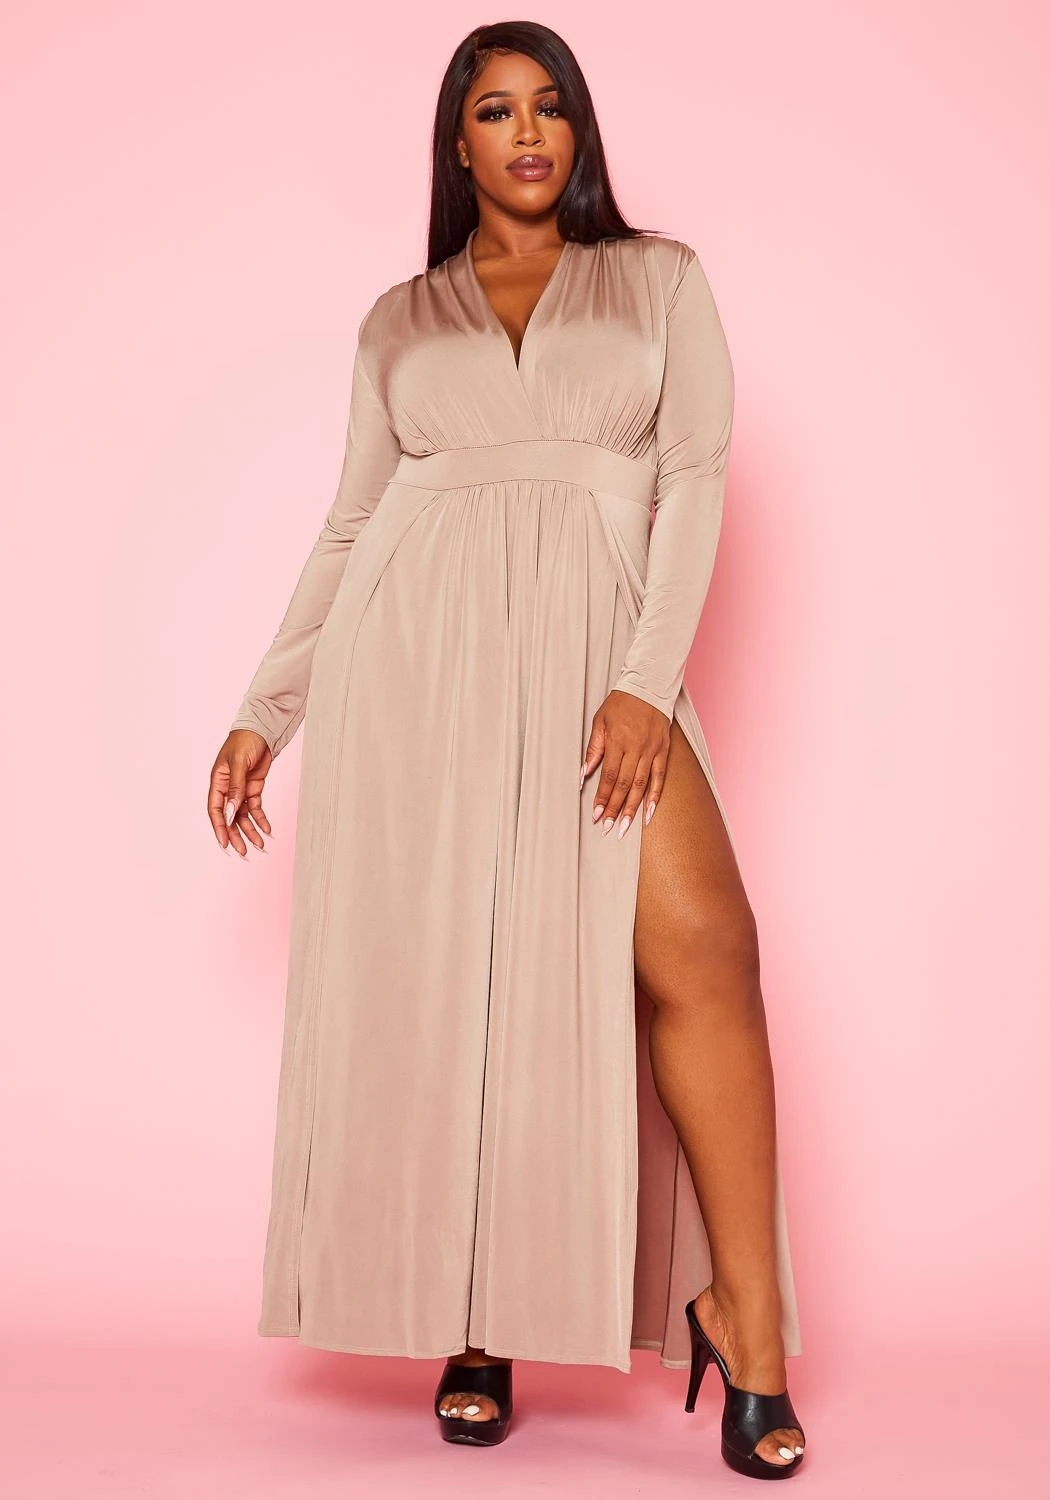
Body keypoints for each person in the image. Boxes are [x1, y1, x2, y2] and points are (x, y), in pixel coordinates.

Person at [207, 20, 808, 1477]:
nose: (526, 131)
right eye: (494, 110)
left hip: (601, 655)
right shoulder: (398, 321)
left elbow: (694, 474)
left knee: (704, 948)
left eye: (549, 106)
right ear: (457, 143)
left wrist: (644, 684)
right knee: (461, 990)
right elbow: (353, 520)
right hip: (418, 668)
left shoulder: (658, 279)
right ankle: (474, 1320)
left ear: (577, 132)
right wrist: (265, 710)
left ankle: (749, 1324)